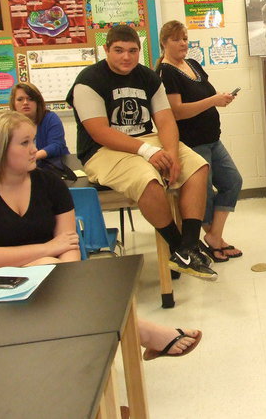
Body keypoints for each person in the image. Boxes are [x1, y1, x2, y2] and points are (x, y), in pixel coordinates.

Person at [0, 111, 202, 360]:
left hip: (51, 278)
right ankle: (144, 332)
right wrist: (46, 251)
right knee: (49, 267)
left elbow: (68, 244)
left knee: (63, 279)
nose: (34, 149)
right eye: (24, 143)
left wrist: (67, 281)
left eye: (33, 141)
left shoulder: (49, 183)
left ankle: (137, 335)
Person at [66, 25, 216, 280]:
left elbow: (166, 120)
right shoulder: (88, 81)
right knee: (148, 179)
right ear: (106, 50)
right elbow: (99, 131)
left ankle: (188, 246)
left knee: (198, 166)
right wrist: (147, 151)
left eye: (132, 51)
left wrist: (171, 153)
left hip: (147, 139)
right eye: (119, 50)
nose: (126, 57)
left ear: (139, 51)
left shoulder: (148, 77)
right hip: (103, 149)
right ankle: (177, 245)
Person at [155, 20, 244, 262]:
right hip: (192, 144)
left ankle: (214, 236)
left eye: (184, 38)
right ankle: (214, 240)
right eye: (176, 39)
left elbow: (204, 95)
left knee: (233, 181)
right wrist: (213, 101)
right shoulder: (166, 72)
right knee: (202, 194)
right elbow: (176, 111)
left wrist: (220, 99)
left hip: (212, 139)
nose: (182, 43)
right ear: (164, 43)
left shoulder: (191, 64)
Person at [9, 81, 70, 169]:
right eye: (20, 99)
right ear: (13, 103)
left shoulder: (50, 118)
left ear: (38, 102)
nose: (25, 102)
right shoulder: (9, 124)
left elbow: (57, 145)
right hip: (24, 168)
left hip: (55, 167)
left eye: (30, 99)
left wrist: (33, 156)